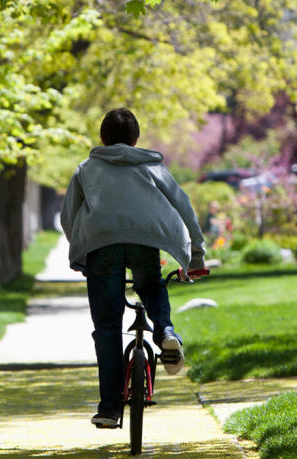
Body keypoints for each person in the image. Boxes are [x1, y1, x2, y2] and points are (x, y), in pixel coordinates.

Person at [60, 108, 207, 428]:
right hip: (146, 239)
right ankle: (165, 332)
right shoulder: (153, 167)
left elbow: (68, 216)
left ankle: (109, 409)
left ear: (101, 139)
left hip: (102, 245)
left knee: (108, 327)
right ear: (136, 140)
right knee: (152, 285)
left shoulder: (87, 169)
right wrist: (196, 255)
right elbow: (183, 205)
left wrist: (80, 249)